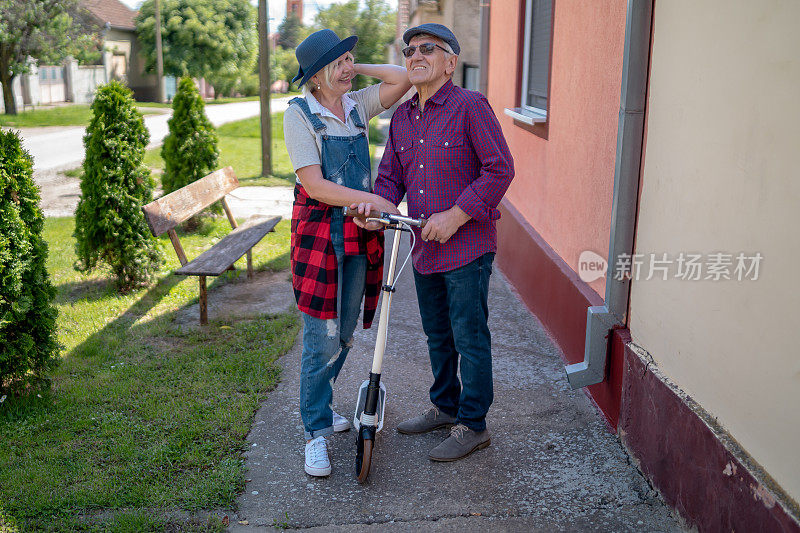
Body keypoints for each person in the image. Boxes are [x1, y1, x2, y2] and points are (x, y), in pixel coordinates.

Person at [353, 23, 514, 462]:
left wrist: (458, 213)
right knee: (437, 335)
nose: (415, 55)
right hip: (423, 246)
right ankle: (445, 407)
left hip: (468, 247)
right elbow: (390, 177)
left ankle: (474, 424)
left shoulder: (470, 107)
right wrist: (377, 210)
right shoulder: (403, 116)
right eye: (409, 50)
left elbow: (499, 170)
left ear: (449, 63)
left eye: (428, 48)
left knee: (469, 336)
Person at [283, 29, 410, 477]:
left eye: (349, 59)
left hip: (360, 230)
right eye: (337, 62)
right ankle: (314, 431)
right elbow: (314, 185)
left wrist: (356, 67)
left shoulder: (357, 104)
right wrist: (374, 200)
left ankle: (322, 404)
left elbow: (402, 79)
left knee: (346, 330)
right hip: (320, 233)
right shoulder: (300, 113)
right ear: (314, 76)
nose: (346, 67)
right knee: (321, 334)